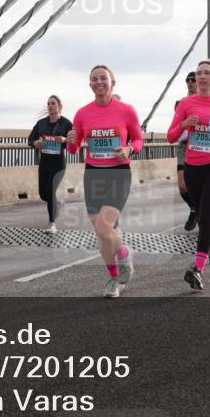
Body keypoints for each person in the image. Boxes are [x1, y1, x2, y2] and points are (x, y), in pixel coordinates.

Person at [67, 65, 143, 298]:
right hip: (93, 173)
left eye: (103, 78)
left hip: (119, 173)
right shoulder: (82, 113)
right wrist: (71, 141)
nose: (99, 82)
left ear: (112, 83)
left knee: (104, 226)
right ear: (90, 85)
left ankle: (123, 254)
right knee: (101, 232)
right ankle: (113, 279)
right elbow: (74, 148)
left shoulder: (126, 110)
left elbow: (139, 140)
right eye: (94, 79)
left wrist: (129, 149)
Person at [168, 60, 210, 290]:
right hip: (193, 167)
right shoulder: (186, 103)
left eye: (207, 73)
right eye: (198, 73)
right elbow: (170, 135)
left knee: (206, 217)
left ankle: (197, 269)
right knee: (202, 216)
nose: (202, 77)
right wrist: (185, 124)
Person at [28, 96, 73, 234]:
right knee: (43, 194)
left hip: (58, 163)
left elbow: (74, 141)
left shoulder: (66, 123)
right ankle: (58, 204)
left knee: (50, 191)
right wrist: (35, 143)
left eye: (53, 103)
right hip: (45, 162)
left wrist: (65, 139)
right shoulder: (41, 123)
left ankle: (52, 224)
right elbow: (30, 139)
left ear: (60, 105)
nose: (50, 106)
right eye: (48, 104)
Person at [176, 71, 198, 231]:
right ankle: (194, 208)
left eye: (193, 80)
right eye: (188, 80)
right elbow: (175, 126)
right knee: (183, 186)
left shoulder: (207, 101)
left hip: (201, 145)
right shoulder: (181, 103)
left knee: (200, 187)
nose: (190, 82)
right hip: (184, 146)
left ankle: (201, 212)